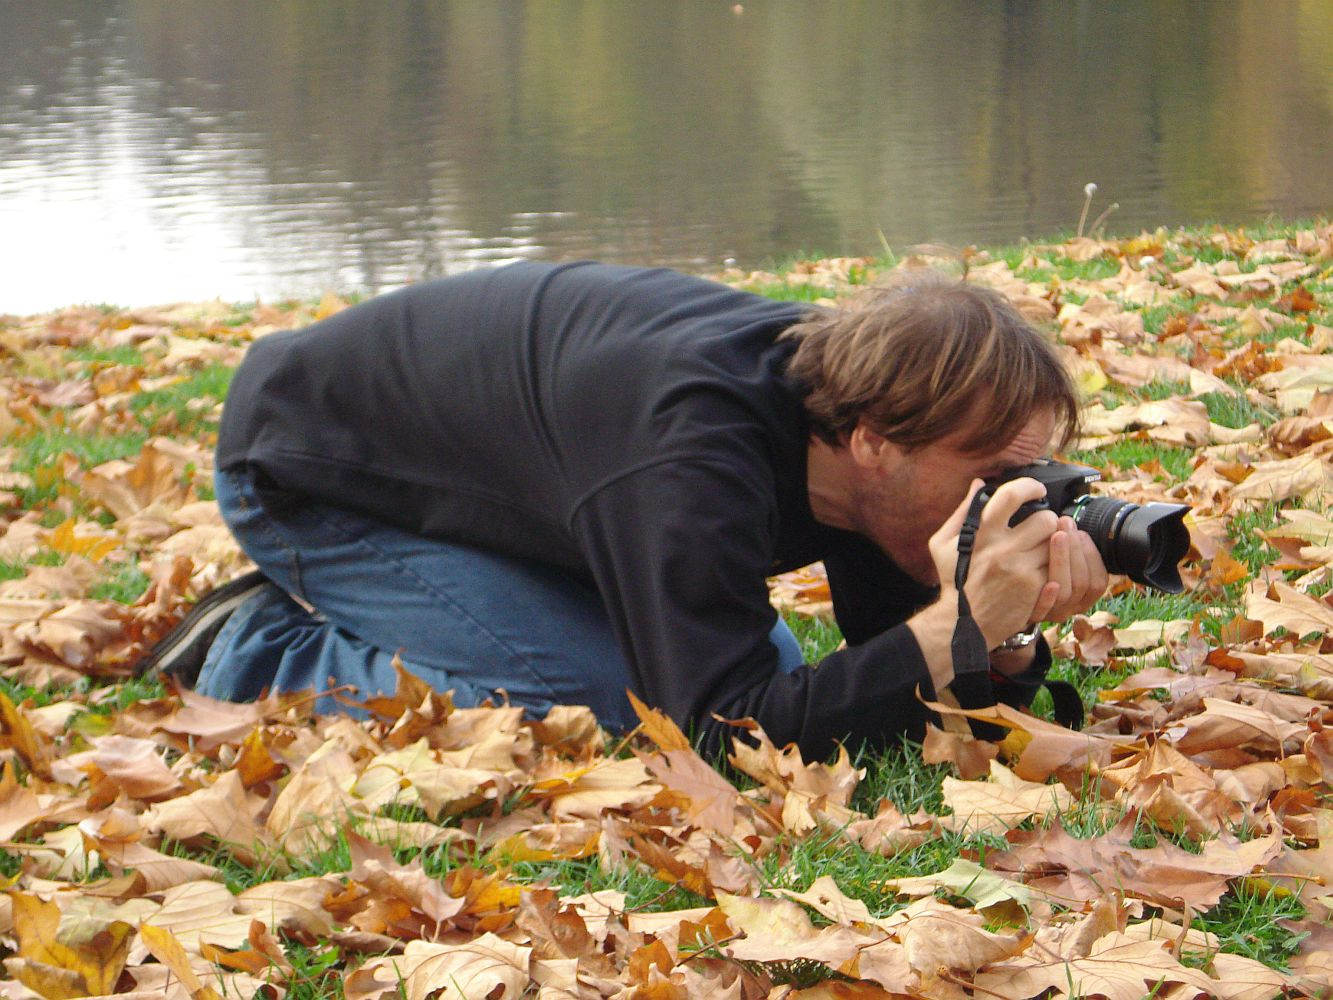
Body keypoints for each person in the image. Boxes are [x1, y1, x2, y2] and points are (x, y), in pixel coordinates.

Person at [140, 261, 1108, 757]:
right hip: (306, 472)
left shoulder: (848, 437)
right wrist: (952, 629)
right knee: (611, 701)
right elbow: (717, 731)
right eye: (989, 472)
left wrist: (1005, 639)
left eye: (1030, 474)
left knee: (773, 663)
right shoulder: (693, 453)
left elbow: (884, 656)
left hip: (510, 489)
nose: (1011, 499)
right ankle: (257, 645)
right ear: (873, 441)